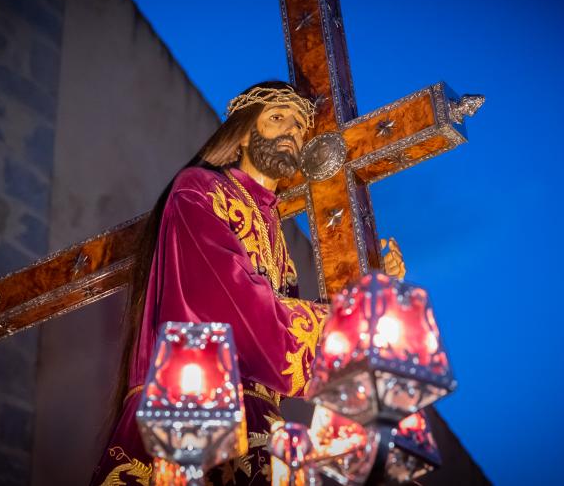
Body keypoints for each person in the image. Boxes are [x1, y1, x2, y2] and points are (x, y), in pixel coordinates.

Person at [91, 81, 404, 485]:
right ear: (241, 133)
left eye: (299, 126)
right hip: (194, 409)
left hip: (264, 431)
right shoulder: (199, 190)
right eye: (277, 118)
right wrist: (348, 321)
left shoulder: (277, 235)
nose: (292, 130)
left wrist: (371, 292)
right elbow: (234, 303)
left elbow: (281, 338)